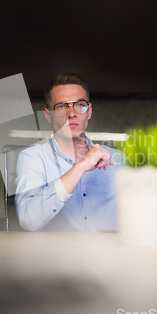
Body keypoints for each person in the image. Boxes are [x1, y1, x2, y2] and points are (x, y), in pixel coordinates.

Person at [14, 72, 124, 231]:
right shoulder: (32, 158)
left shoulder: (118, 160)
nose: (71, 113)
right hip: (56, 255)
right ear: (48, 116)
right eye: (61, 106)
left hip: (112, 254)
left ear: (89, 111)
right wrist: (80, 167)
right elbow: (29, 221)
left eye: (80, 105)